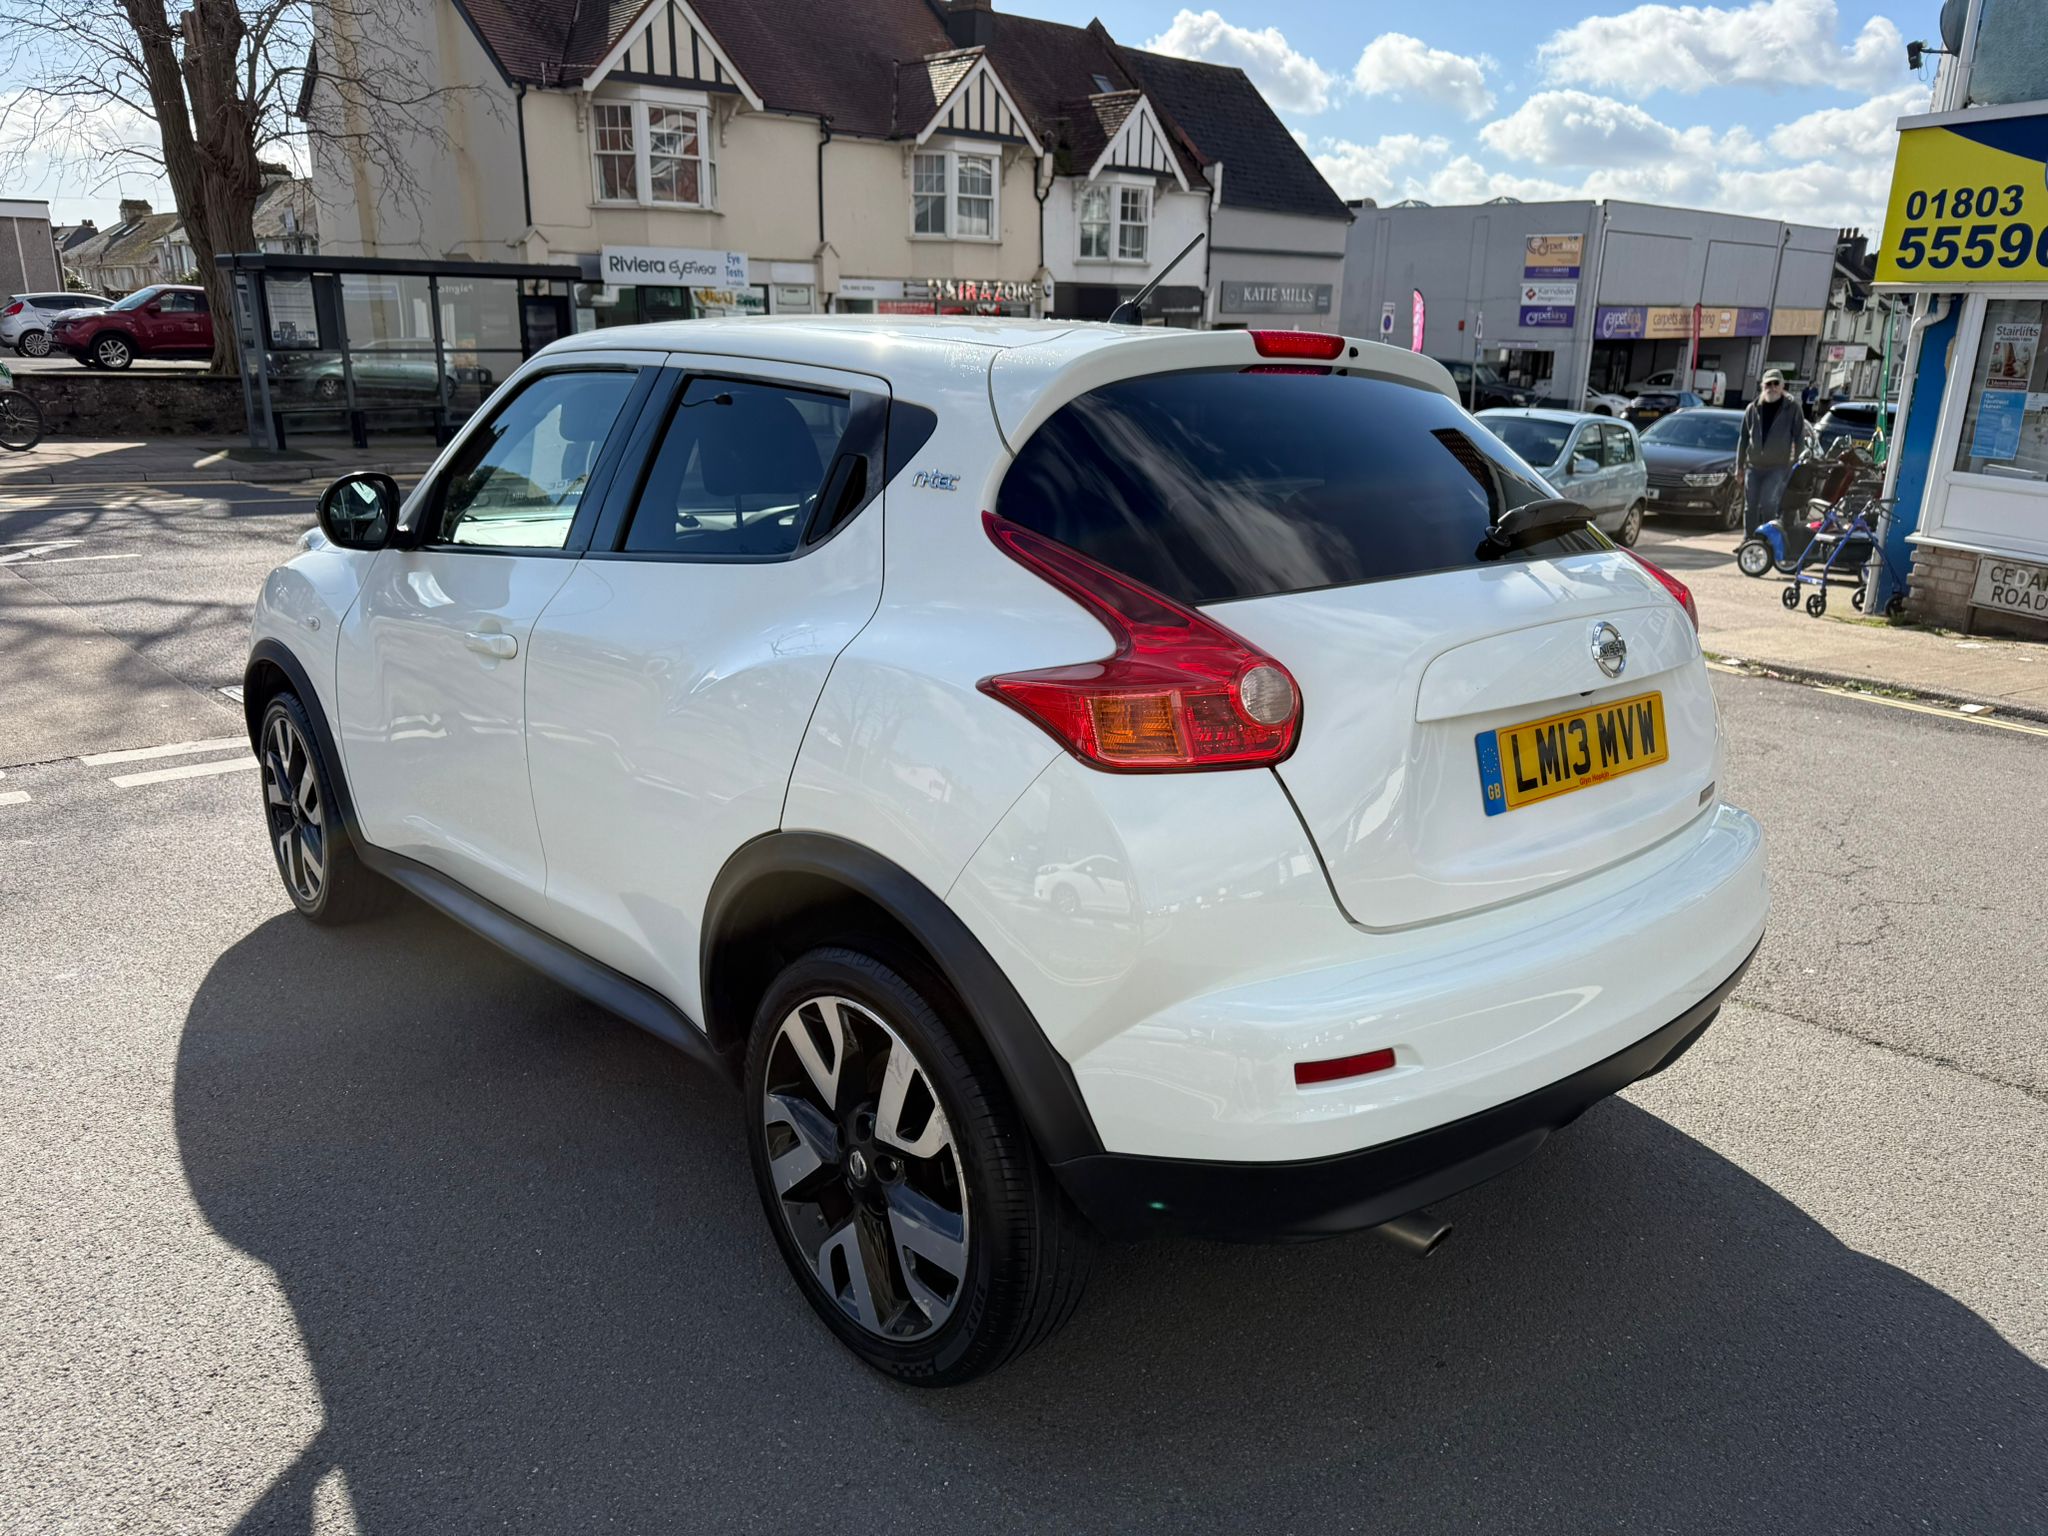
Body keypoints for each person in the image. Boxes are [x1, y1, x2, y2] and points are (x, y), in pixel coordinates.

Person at [1739, 368, 1803, 536]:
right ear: (1763, 386)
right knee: (1750, 505)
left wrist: (1796, 464)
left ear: (1782, 386)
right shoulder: (1752, 408)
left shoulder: (1792, 408)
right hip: (1753, 466)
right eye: (1769, 383)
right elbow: (1743, 438)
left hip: (1777, 467)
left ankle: (1768, 539)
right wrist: (1739, 467)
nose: (1772, 387)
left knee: (1768, 503)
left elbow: (1799, 438)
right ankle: (1748, 540)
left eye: (1776, 383)